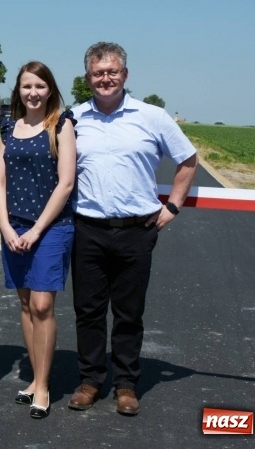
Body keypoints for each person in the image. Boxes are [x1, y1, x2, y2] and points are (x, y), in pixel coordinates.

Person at [68, 42, 197, 416]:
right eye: (97, 72)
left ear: (125, 74)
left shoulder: (152, 116)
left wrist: (172, 206)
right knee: (88, 311)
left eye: (112, 71)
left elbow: (187, 159)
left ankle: (126, 384)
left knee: (128, 312)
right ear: (88, 77)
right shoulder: (74, 119)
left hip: (136, 231)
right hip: (87, 228)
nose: (105, 78)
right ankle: (91, 380)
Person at [0, 62, 76, 419]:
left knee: (43, 305)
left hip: (51, 228)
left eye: (40, 86)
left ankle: (42, 385)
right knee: (26, 305)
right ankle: (34, 377)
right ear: (19, 90)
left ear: (50, 89)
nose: (33, 92)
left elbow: (66, 183)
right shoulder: (8, 127)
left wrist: (37, 229)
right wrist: (7, 227)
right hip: (15, 229)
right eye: (27, 86)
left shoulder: (62, 124)